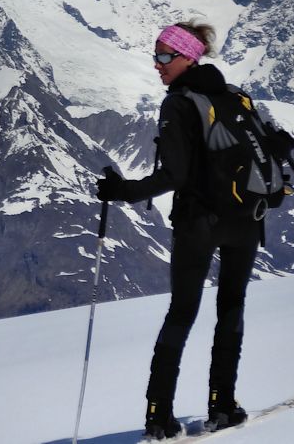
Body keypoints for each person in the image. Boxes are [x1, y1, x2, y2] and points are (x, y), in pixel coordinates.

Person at [96, 22, 258, 440]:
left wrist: (123, 191)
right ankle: (223, 406)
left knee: (182, 314)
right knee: (232, 308)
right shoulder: (233, 97)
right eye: (156, 56)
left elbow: (175, 174)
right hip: (245, 219)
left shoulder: (179, 105)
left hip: (198, 224)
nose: (158, 65)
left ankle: (159, 417)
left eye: (166, 56)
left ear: (189, 56)